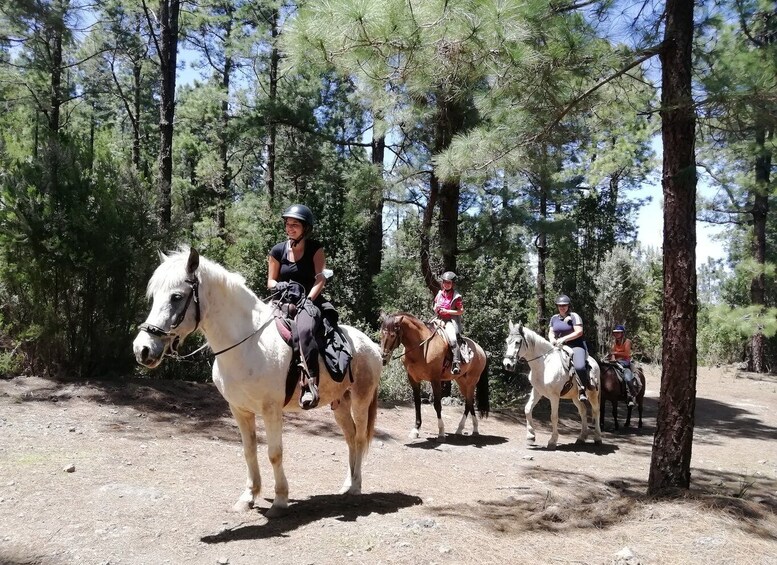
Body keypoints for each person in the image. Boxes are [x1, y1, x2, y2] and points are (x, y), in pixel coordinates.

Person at [267, 204, 331, 409]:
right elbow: (270, 281)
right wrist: (279, 285)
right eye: (288, 224)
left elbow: (320, 279)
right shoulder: (277, 250)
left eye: (295, 224)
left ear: (306, 228)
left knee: (304, 330)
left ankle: (309, 384)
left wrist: (309, 300)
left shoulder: (315, 248)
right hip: (282, 299)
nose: (290, 227)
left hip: (307, 301)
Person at [548, 294, 591, 401]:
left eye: (564, 305)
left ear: (568, 306)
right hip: (559, 346)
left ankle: (582, 389)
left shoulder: (574, 316)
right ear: (557, 306)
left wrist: (564, 339)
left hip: (575, 346)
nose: (562, 307)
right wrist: (552, 339)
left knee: (579, 367)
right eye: (560, 305)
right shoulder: (554, 318)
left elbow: (579, 332)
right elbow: (551, 332)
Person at [433, 271, 464, 375]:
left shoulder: (457, 296)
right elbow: (435, 306)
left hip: (450, 321)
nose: (446, 284)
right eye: (445, 282)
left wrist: (447, 311)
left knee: (453, 339)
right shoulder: (439, 293)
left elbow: (460, 311)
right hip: (438, 319)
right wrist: (436, 309)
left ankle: (456, 363)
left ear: (453, 284)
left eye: (449, 283)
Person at [609, 324, 638, 407]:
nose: (616, 334)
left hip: (625, 362)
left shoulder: (627, 341)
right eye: (615, 333)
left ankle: (631, 396)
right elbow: (612, 352)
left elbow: (626, 353)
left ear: (622, 333)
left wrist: (615, 353)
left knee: (628, 377)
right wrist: (613, 358)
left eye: (618, 333)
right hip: (615, 361)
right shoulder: (614, 342)